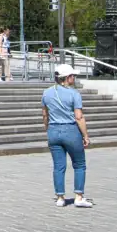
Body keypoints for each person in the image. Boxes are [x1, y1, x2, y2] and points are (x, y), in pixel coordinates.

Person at [42, 64, 91, 207]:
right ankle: (79, 196)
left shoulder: (46, 92)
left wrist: (48, 129)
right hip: (70, 130)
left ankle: (60, 197)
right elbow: (79, 117)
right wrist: (85, 136)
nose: (74, 78)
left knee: (58, 166)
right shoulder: (74, 94)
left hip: (53, 130)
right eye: (73, 76)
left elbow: (45, 114)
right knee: (79, 164)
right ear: (67, 78)